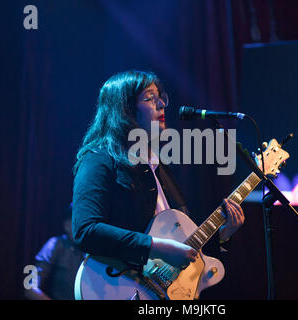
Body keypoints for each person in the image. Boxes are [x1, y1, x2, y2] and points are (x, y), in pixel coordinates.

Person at [71, 70, 244, 287]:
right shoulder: (99, 159)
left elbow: (182, 249)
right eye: (149, 98)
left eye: (160, 97)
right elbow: (85, 230)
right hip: (121, 285)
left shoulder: (158, 166)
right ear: (124, 110)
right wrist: (156, 247)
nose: (161, 104)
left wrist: (223, 236)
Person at [24, 204, 85, 300]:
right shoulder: (55, 244)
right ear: (67, 225)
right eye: (78, 222)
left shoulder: (94, 252)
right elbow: (30, 288)